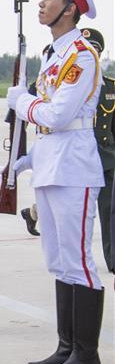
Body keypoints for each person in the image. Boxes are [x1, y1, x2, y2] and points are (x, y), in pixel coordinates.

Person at [9, 0, 104, 364]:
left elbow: (59, 113)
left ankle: (87, 356)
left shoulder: (81, 55)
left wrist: (21, 102)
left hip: (74, 166)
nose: (42, 3)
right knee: (59, 259)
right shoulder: (54, 56)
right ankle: (67, 347)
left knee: (79, 261)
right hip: (51, 163)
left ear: (69, 9)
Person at [83, 28, 115, 273]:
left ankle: (113, 261)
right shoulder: (69, 83)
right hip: (78, 159)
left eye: (94, 49)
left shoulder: (111, 87)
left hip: (105, 159)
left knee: (108, 212)